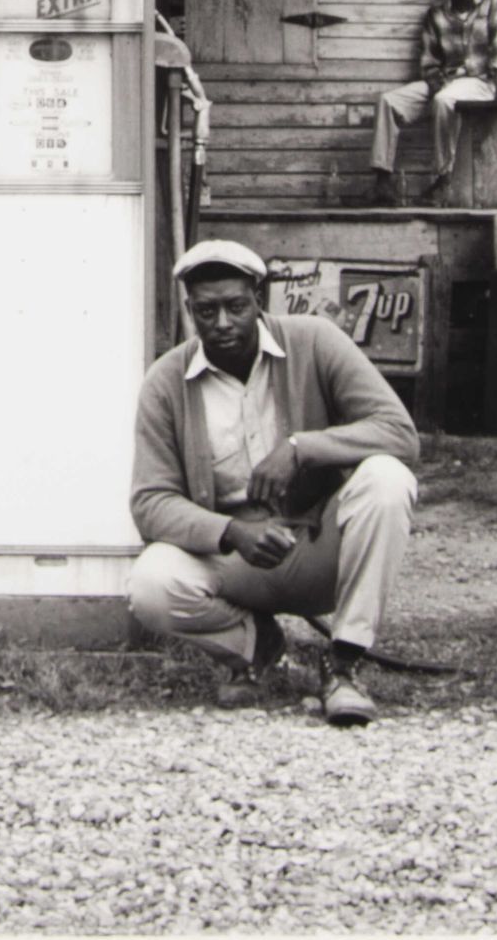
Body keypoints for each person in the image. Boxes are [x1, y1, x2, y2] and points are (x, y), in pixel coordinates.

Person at [126, 239, 421, 725]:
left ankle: (343, 665)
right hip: (236, 562)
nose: (223, 323)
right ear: (189, 310)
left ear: (259, 299)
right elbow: (150, 501)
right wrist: (231, 532)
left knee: (387, 479)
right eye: (207, 311)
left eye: (236, 306)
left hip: (319, 546)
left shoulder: (315, 341)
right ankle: (257, 644)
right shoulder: (165, 381)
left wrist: (301, 448)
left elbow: (399, 434)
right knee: (150, 583)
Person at [370, 0, 497, 205]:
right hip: (444, 80)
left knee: (444, 100)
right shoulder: (437, 13)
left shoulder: (492, 1)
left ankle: (444, 180)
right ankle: (382, 180)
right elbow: (428, 61)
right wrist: (436, 82)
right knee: (388, 101)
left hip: (480, 81)